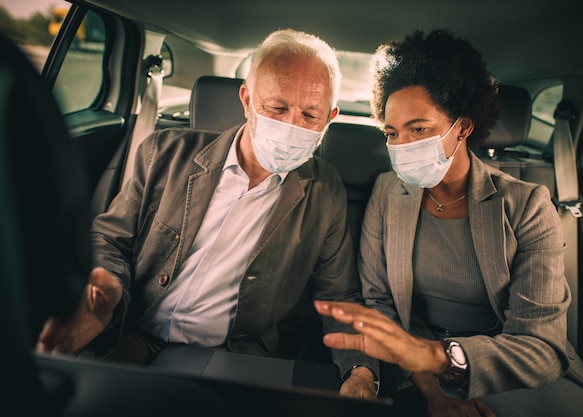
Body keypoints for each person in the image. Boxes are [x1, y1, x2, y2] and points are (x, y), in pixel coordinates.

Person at [36, 28, 378, 398]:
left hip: (242, 358)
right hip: (137, 336)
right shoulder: (163, 154)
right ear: (246, 100)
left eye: (310, 115)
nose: (291, 126)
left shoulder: (324, 190)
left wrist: (361, 372)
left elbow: (339, 295)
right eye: (277, 108)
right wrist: (108, 297)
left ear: (330, 118)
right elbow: (109, 239)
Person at [314, 29, 583, 417]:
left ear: (463, 127)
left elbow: (539, 346)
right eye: (392, 133)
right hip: (411, 361)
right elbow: (380, 303)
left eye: (419, 129)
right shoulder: (387, 192)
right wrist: (432, 384)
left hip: (508, 364)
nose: (402, 146)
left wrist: (450, 365)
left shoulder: (526, 205)